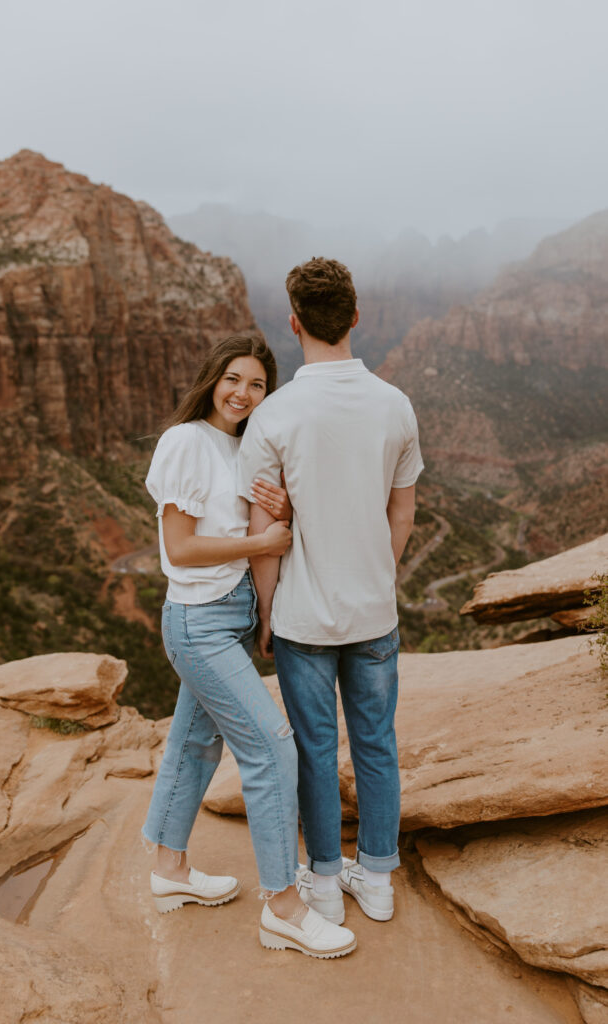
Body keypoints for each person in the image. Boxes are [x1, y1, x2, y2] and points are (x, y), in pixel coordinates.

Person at [141, 332, 357, 959]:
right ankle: (284, 908)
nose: (243, 392)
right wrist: (260, 546)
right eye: (233, 378)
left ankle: (169, 871)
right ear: (213, 378)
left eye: (257, 383)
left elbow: (250, 519)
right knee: (272, 748)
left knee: (194, 743)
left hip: (231, 619)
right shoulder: (184, 441)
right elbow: (180, 549)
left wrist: (274, 523)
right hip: (198, 621)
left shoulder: (240, 445)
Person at [238, 258, 423, 929]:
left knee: (315, 751)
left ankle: (320, 883)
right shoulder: (394, 404)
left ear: (292, 324)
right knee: (376, 745)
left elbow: (263, 528)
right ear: (353, 317)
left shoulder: (274, 415)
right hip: (373, 612)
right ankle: (376, 879)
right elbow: (401, 514)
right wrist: (379, 571)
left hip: (302, 620)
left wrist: (263, 615)